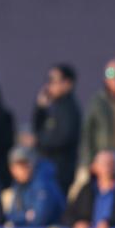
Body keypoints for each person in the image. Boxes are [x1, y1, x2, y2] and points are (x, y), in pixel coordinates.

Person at [32, 63, 81, 194]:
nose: (50, 85)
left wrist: (38, 140)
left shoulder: (68, 108)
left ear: (68, 83)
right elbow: (37, 128)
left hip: (60, 169)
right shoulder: (53, 106)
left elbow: (63, 137)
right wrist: (40, 109)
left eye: (54, 81)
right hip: (47, 166)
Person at [6, 146, 66, 227]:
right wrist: (26, 216)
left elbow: (40, 219)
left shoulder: (43, 182)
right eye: (19, 166)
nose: (23, 170)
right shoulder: (17, 185)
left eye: (26, 165)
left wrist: (21, 217)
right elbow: (11, 215)